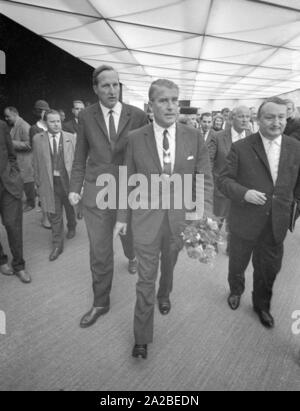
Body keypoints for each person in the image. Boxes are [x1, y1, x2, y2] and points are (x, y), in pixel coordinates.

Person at [115, 79, 214, 359]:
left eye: (175, 100)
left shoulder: (193, 136)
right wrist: (122, 216)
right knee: (145, 278)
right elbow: (125, 181)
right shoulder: (135, 138)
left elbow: (204, 178)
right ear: (150, 105)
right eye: (163, 100)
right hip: (145, 220)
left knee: (168, 266)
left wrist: (202, 213)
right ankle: (142, 337)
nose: (171, 106)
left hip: (179, 220)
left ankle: (165, 293)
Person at [69, 65, 148, 329]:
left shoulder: (136, 115)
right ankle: (100, 303)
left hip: (128, 192)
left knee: (129, 238)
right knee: (100, 251)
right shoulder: (87, 117)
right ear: (95, 88)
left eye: (116, 84)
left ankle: (132, 256)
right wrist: (74, 187)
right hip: (97, 194)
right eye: (106, 85)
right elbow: (80, 155)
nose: (112, 90)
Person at [218, 97, 300, 329]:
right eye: (270, 117)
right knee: (238, 263)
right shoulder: (242, 147)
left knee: (269, 270)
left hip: (276, 222)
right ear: (258, 119)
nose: (276, 122)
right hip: (245, 220)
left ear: (287, 118)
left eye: (281, 117)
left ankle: (261, 305)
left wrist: (292, 211)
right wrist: (244, 193)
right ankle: (236, 290)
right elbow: (223, 180)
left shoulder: (296, 147)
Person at [33, 110, 77, 262]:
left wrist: (80, 183)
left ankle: (72, 225)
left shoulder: (70, 138)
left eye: (58, 121)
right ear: (46, 123)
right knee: (54, 214)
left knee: (70, 207)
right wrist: (38, 185)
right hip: (50, 183)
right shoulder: (38, 139)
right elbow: (35, 163)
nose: (56, 124)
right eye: (52, 121)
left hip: (67, 181)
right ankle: (57, 245)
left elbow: (78, 162)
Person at [208, 106, 251, 249]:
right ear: (232, 119)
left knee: (237, 219)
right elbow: (209, 160)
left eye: (247, 116)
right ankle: (212, 243)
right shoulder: (218, 136)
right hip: (221, 185)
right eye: (241, 116)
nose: (245, 119)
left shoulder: (252, 136)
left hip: (242, 187)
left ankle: (231, 246)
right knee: (218, 217)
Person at [0, 120, 31, 283]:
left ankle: (19, 265)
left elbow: (11, 154)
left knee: (13, 225)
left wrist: (15, 175)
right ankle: (1, 260)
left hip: (8, 185)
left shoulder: (1, 126)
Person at [4, 106, 35, 212]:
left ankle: (31, 203)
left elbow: (30, 145)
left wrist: (10, 142)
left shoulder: (24, 126)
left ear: (15, 114)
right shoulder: (14, 125)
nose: (6, 118)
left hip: (25, 160)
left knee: (28, 181)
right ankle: (27, 201)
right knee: (22, 181)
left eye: (8, 116)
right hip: (18, 160)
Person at [29, 99, 51, 229]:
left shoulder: (51, 124)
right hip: (41, 163)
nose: (45, 113)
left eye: (47, 111)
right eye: (43, 111)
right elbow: (35, 148)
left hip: (52, 162)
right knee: (43, 191)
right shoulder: (34, 129)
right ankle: (45, 218)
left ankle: (51, 216)